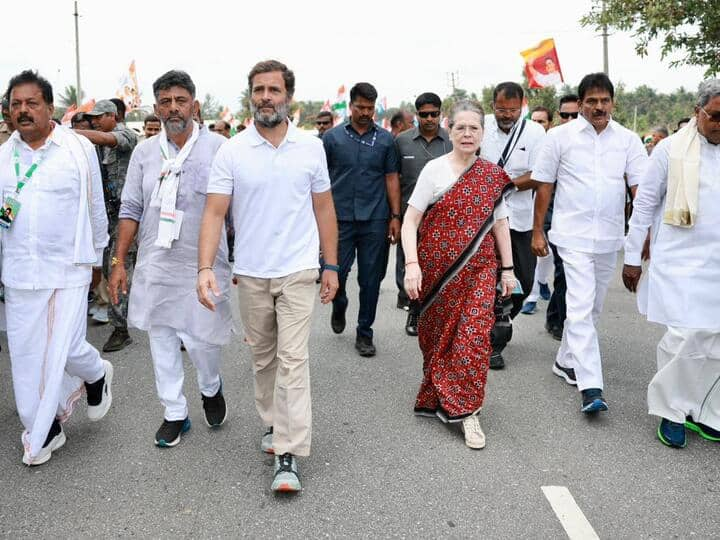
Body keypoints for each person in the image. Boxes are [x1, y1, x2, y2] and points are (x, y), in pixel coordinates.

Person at [198, 59, 339, 493]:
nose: (265, 97)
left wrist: (330, 265)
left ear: (288, 97)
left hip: (298, 270)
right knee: (264, 360)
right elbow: (215, 211)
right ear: (250, 96)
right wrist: (205, 267)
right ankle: (274, 423)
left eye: (273, 90)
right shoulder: (232, 149)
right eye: (258, 90)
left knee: (294, 361)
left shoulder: (311, 147)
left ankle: (288, 453)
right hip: (252, 274)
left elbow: (324, 209)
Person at [108, 70, 232, 448]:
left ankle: (211, 386)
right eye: (165, 101)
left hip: (205, 264)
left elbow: (235, 209)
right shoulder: (145, 153)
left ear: (195, 105)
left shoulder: (220, 149)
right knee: (161, 337)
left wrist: (242, 259)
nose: (173, 107)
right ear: (156, 107)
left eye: (180, 100)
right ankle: (174, 412)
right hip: (157, 263)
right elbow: (130, 207)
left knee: (201, 341)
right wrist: (118, 263)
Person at [0, 70, 111, 465]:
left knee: (60, 348)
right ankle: (47, 424)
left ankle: (42, 428)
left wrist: (99, 257)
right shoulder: (4, 154)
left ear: (50, 108)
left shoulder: (76, 149)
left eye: (32, 103)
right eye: (16, 104)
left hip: (68, 266)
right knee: (27, 354)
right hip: (19, 271)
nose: (23, 111)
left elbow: (95, 204)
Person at [531, 73, 648, 413]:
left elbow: (639, 189)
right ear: (580, 104)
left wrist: (643, 234)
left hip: (610, 236)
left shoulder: (627, 140)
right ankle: (591, 386)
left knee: (592, 308)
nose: (599, 107)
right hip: (572, 235)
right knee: (580, 306)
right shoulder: (559, 137)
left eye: (605, 101)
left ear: (613, 102)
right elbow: (544, 186)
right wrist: (538, 231)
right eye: (592, 101)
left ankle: (565, 359)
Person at [401, 100, 516, 448]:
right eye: (461, 127)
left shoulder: (491, 175)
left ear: (483, 133)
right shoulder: (434, 170)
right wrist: (411, 265)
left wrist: (508, 270)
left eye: (474, 128)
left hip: (481, 270)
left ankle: (468, 412)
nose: (467, 134)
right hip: (436, 272)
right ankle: (438, 391)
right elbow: (410, 222)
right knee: (438, 340)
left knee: (473, 340)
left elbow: (500, 223)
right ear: (450, 129)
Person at [622, 79, 720, 448]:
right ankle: (671, 410)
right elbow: (644, 205)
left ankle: (706, 411)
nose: (719, 124)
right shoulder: (669, 152)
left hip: (718, 264)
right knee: (682, 338)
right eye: (714, 116)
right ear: (697, 112)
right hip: (679, 262)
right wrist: (632, 258)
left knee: (714, 341)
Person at [322, 82, 401, 357]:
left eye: (370, 108)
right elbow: (320, 182)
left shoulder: (385, 140)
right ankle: (339, 301)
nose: (366, 113)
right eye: (361, 107)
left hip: (375, 219)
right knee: (336, 272)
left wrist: (395, 216)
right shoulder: (331, 139)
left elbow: (391, 178)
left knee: (371, 280)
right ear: (350, 106)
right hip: (339, 219)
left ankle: (364, 333)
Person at [480, 81, 546, 369]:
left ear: (522, 107)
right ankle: (492, 341)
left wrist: (504, 185)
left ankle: (501, 321)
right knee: (485, 280)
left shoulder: (534, 132)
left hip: (519, 220)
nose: (506, 115)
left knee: (525, 282)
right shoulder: (480, 128)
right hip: (483, 221)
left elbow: (539, 174)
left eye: (512, 110)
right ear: (492, 106)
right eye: (500, 109)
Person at [74, 99, 138, 353]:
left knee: (117, 269)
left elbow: (107, 139)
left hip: (126, 218)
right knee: (104, 267)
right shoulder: (99, 145)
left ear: (113, 116)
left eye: (100, 116)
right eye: (94, 117)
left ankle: (121, 329)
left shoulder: (125, 135)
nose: (96, 121)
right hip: (107, 216)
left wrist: (69, 134)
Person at [394, 92, 451, 335]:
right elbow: (394, 180)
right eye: (424, 114)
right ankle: (414, 311)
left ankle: (437, 314)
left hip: (443, 219)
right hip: (411, 218)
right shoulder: (402, 141)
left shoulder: (452, 140)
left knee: (440, 268)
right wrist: (395, 216)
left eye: (434, 114)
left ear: (441, 113)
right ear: (417, 115)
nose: (429, 119)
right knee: (410, 266)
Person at [543, 94, 579, 340]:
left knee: (566, 273)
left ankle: (555, 316)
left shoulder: (592, 143)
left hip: (582, 220)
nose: (569, 120)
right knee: (563, 269)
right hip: (554, 216)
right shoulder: (552, 141)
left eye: (574, 115)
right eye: (564, 115)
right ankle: (561, 322)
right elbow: (543, 184)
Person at [521, 106, 555, 315]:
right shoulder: (526, 141)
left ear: (549, 123)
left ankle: (542, 281)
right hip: (530, 201)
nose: (537, 125)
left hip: (555, 203)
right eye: (534, 120)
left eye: (542, 121)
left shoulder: (556, 142)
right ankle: (531, 296)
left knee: (549, 251)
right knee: (534, 248)